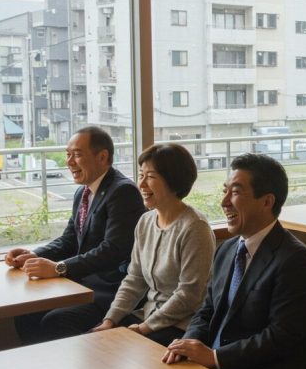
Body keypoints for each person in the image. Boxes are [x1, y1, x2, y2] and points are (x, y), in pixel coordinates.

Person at [163, 153, 306, 369]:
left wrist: (215, 357)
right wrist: (187, 345)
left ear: (267, 201)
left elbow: (281, 337)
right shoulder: (227, 250)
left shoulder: (294, 260)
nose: (224, 202)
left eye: (235, 192)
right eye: (225, 191)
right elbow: (207, 310)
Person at [5, 126, 145, 344]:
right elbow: (69, 239)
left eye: (77, 155)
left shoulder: (123, 191)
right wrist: (33, 255)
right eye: (68, 154)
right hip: (81, 284)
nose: (69, 162)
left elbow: (113, 250)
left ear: (102, 157)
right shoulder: (83, 192)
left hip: (108, 290)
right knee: (25, 313)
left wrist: (59, 268)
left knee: (56, 321)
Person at [92, 143, 215, 346]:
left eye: (150, 177)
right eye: (141, 175)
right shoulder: (145, 221)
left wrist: (144, 328)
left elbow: (189, 296)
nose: (141, 184)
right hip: (147, 317)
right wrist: (110, 320)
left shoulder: (195, 228)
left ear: (173, 181)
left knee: (125, 350)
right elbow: (135, 279)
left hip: (182, 326)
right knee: (99, 341)